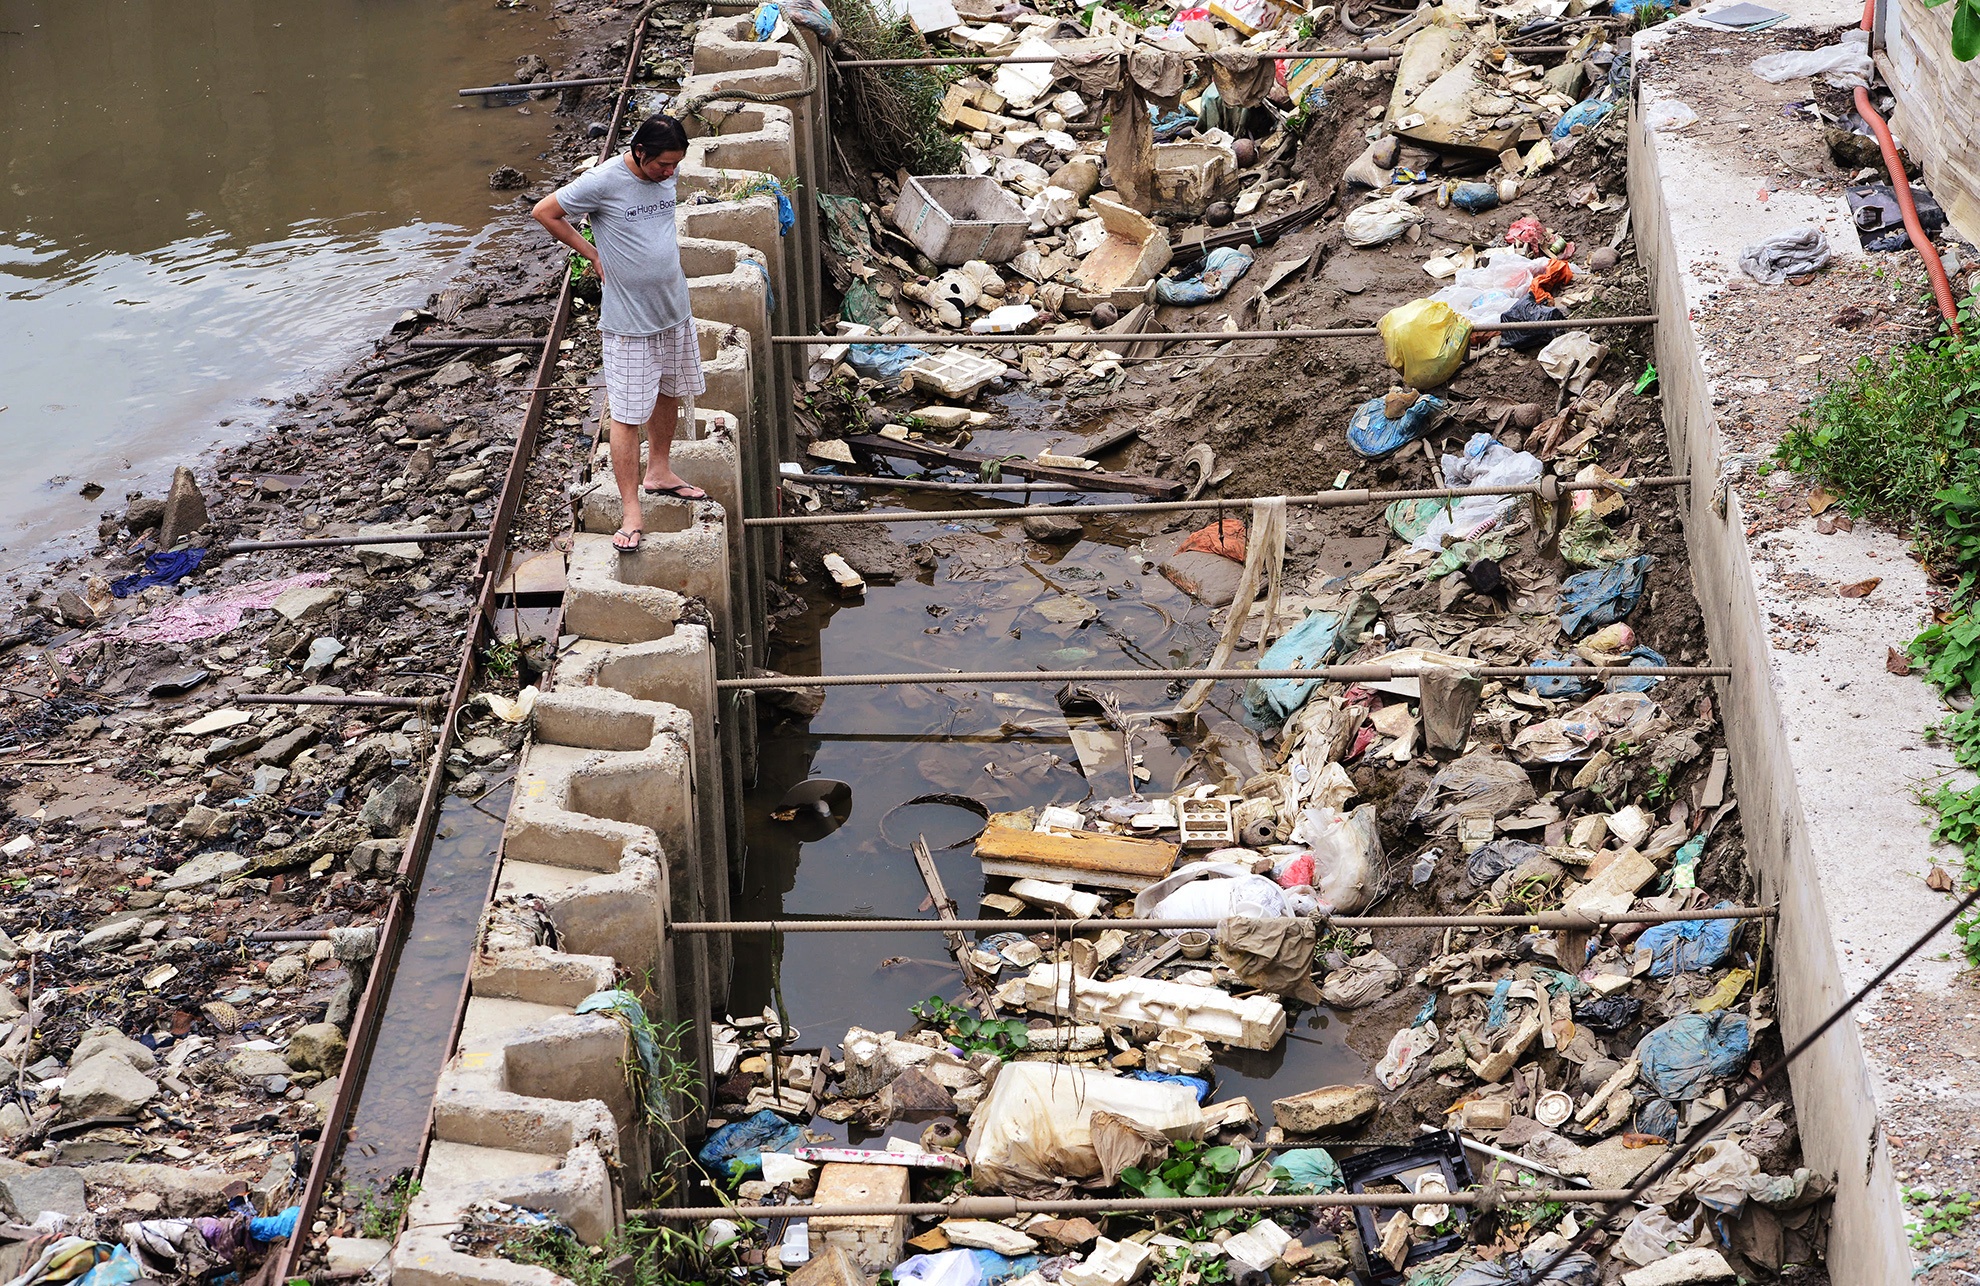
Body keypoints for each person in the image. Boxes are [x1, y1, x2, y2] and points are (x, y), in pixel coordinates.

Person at [532, 115, 708, 552]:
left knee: (668, 392)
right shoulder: (603, 180)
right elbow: (545, 212)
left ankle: (660, 471)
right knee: (627, 416)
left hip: (674, 308)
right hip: (629, 322)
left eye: (676, 165)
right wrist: (592, 253)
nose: (670, 173)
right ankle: (631, 509)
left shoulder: (668, 169)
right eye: (662, 165)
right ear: (640, 152)